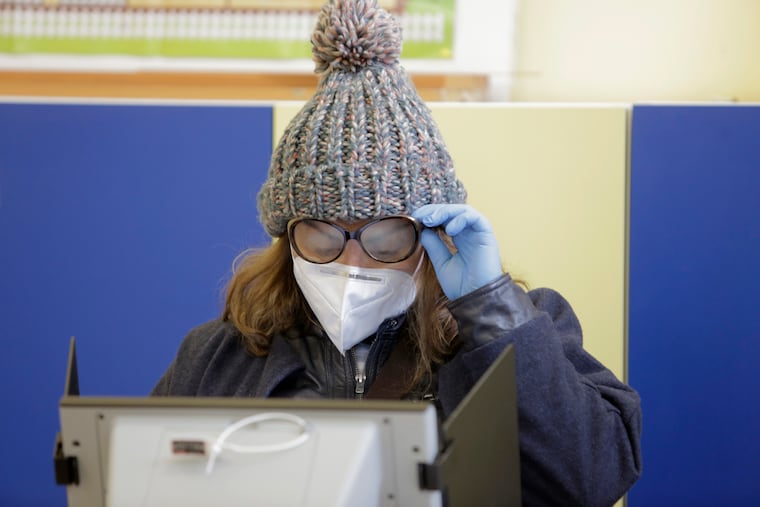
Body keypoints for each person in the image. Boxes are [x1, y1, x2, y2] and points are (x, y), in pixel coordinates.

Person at [151, 0, 642, 504]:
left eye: (385, 238)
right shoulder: (220, 355)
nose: (353, 263)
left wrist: (490, 310)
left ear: (433, 234)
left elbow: (590, 480)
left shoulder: (520, 330)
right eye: (322, 235)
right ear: (287, 237)